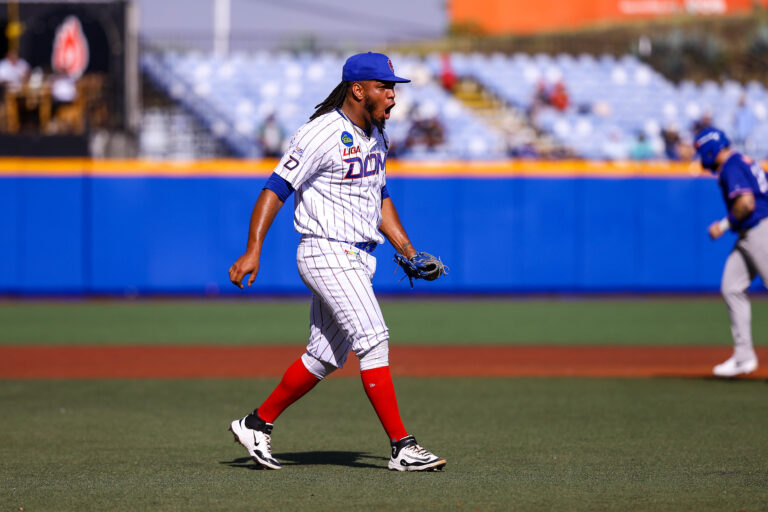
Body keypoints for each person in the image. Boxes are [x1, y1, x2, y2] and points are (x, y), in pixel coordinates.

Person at [227, 52, 447, 471]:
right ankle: (403, 446)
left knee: (325, 354)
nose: (393, 97)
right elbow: (275, 188)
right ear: (358, 89)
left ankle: (257, 423)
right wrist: (253, 249)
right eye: (386, 88)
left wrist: (409, 251)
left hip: (359, 256)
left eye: (393, 88)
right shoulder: (321, 132)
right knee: (374, 338)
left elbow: (379, 198)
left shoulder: (377, 135)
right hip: (326, 249)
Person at [696, 126, 768, 377]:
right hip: (751, 233)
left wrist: (723, 225)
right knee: (731, 287)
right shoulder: (741, 160)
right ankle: (743, 356)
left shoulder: (731, 165)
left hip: (760, 229)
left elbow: (746, 203)